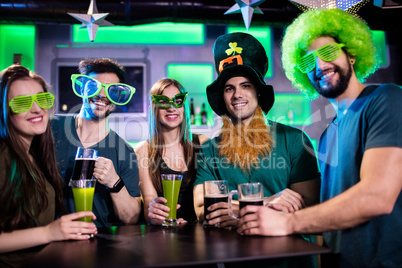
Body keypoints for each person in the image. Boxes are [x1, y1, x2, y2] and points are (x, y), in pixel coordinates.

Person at [238, 8, 402, 268]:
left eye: (327, 52)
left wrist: (288, 222)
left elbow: (377, 197)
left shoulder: (386, 99)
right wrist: (280, 202)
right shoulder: (328, 134)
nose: (319, 66)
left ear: (351, 52)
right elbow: (332, 208)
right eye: (307, 62)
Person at [193, 32, 321, 229]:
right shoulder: (209, 150)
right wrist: (267, 203)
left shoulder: (295, 140)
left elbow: (309, 204)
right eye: (229, 88)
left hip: (287, 256)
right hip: (230, 256)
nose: (237, 95)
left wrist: (233, 210)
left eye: (246, 85)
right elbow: (203, 209)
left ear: (258, 91)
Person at [0, 65, 97, 267]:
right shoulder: (3, 156)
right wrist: (49, 232)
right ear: (4, 110)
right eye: (22, 102)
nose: (37, 109)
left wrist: (65, 230)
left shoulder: (35, 154)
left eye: (42, 99)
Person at [51, 58, 141, 227]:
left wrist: (114, 181)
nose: (101, 95)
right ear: (83, 88)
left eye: (111, 91)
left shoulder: (125, 152)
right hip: (50, 239)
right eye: (94, 86)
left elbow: (131, 218)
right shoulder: (51, 128)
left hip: (98, 242)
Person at [135, 78, 209, 225]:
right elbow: (148, 204)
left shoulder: (202, 143)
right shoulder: (144, 151)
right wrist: (154, 212)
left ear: (184, 107)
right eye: (163, 102)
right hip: (166, 230)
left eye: (178, 101)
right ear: (154, 107)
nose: (171, 108)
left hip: (201, 231)